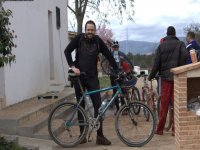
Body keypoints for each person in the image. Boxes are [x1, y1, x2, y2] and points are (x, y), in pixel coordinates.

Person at [64, 20, 119, 145]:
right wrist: (72, 66)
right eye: (88, 30)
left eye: (92, 30)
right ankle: (82, 136)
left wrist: (116, 69)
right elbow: (67, 51)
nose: (90, 32)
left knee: (98, 106)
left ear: (95, 31)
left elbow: (109, 56)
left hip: (93, 78)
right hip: (79, 78)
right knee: (81, 105)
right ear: (85, 30)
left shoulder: (98, 41)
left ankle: (100, 136)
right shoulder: (78, 39)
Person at [148, 26, 188, 136]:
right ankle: (175, 130)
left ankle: (160, 129)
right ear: (175, 33)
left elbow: (156, 63)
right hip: (176, 78)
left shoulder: (161, 46)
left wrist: (150, 76)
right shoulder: (180, 44)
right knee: (177, 104)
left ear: (167, 33)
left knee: (164, 104)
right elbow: (185, 55)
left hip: (165, 79)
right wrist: (179, 67)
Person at [110, 40, 134, 113]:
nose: (115, 48)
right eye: (114, 47)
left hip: (117, 75)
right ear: (112, 47)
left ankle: (122, 109)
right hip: (116, 75)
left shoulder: (111, 54)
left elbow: (129, 62)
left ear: (118, 47)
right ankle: (121, 109)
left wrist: (130, 69)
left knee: (121, 91)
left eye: (116, 47)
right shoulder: (120, 54)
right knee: (120, 91)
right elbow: (129, 62)